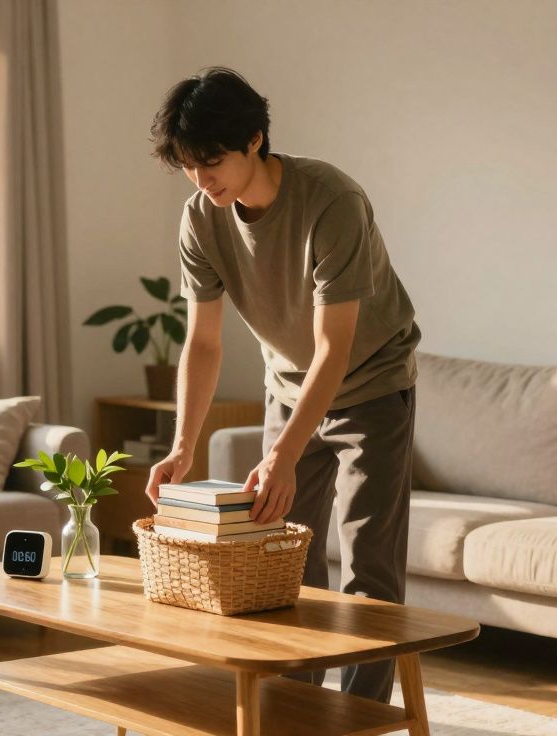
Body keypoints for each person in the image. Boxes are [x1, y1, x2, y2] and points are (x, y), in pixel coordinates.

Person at [142, 67, 422, 703]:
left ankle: (359, 714)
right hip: (289, 387)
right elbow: (204, 342)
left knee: (368, 569)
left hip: (373, 385)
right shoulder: (200, 220)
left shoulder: (332, 201)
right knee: (281, 560)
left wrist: (284, 454)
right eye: (188, 165)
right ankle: (298, 707)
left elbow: (336, 347)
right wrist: (184, 445)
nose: (201, 178)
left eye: (211, 161)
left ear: (255, 141)